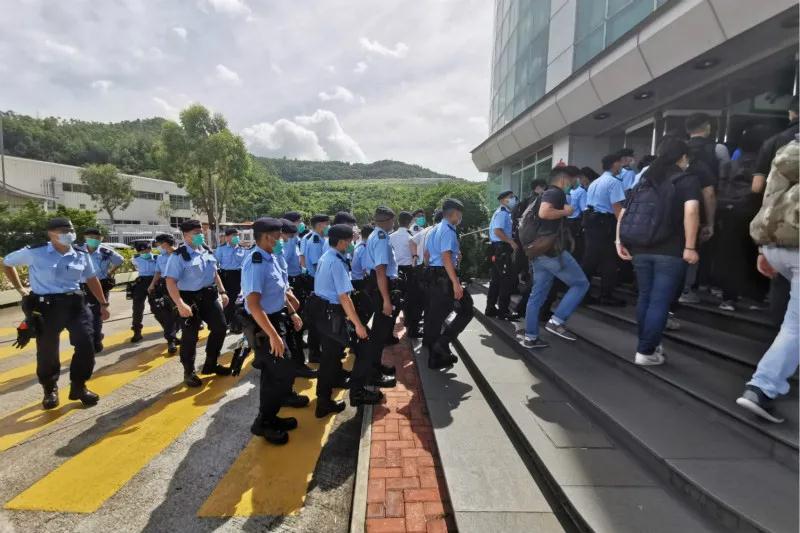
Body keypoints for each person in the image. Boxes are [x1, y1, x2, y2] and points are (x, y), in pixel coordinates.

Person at [2, 217, 110, 409]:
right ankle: (50, 389)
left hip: (76, 304)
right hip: (47, 307)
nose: (68, 234)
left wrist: (103, 303)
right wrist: (20, 289)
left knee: (87, 345)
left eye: (70, 230)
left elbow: (91, 278)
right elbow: (7, 263)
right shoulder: (35, 252)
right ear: (50, 234)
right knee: (47, 351)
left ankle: (79, 386)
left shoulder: (80, 253)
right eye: (62, 231)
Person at [615, 138, 701, 366]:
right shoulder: (687, 180)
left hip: (640, 247)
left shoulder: (645, 179)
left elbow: (624, 212)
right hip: (670, 250)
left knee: (645, 297)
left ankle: (648, 344)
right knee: (660, 301)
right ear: (683, 157)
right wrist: (690, 246)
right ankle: (646, 350)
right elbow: (691, 211)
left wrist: (618, 241)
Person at [736, 139, 798, 424]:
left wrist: (763, 248)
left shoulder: (789, 149)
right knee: (796, 326)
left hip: (777, 244)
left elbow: (769, 197)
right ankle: (762, 388)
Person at [240, 217, 309, 445]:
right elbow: (253, 304)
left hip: (277, 318)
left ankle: (271, 416)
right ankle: (263, 422)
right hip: (264, 324)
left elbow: (279, 290)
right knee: (280, 370)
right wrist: (273, 335)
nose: (282, 240)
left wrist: (292, 312)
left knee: (278, 372)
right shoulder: (256, 262)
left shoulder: (271, 258)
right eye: (279, 236)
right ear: (268, 237)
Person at [309, 224, 382, 411]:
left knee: (330, 356)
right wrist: (358, 325)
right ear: (341, 242)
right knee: (364, 347)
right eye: (350, 241)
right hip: (332, 313)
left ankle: (327, 394)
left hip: (324, 312)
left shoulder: (328, 256)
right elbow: (344, 297)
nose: (351, 244)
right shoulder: (336, 262)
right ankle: (354, 393)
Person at [517, 167, 590, 349]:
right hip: (551, 252)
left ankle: (531, 337)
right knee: (581, 284)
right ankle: (557, 321)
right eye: (573, 180)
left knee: (537, 296)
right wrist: (566, 211)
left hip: (538, 252)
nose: (574, 184)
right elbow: (544, 212)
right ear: (564, 179)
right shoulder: (555, 193)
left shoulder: (545, 194)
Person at [164, 219, 231, 387]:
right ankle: (189, 371)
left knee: (220, 327)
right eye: (196, 233)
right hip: (188, 299)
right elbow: (170, 282)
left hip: (208, 296)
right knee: (190, 336)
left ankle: (211, 363)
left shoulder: (206, 250)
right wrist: (180, 304)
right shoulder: (178, 256)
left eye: (201, 232)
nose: (201, 235)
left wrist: (222, 292)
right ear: (185, 235)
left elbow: (214, 273)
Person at [679, 113, 725, 303]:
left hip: (675, 207)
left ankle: (680, 288)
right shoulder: (717, 149)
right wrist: (711, 221)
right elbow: (711, 190)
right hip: (701, 207)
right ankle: (690, 287)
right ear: (707, 127)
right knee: (696, 246)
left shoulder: (677, 150)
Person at [423, 199, 473, 369]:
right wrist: (455, 283)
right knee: (467, 310)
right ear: (455, 213)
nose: (460, 218)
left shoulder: (434, 229)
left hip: (435, 275)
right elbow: (445, 257)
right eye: (460, 215)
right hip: (445, 277)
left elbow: (427, 254)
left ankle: (435, 355)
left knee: (436, 317)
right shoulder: (448, 230)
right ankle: (442, 343)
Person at [581, 153, 626, 306]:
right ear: (614, 164)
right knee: (609, 261)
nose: (622, 167)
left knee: (590, 260)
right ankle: (606, 295)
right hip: (605, 224)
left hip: (590, 222)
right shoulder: (613, 182)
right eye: (620, 163)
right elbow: (617, 209)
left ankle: (581, 292)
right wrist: (623, 229)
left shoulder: (595, 182)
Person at [363, 206, 399, 385]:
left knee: (379, 330)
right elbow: (380, 270)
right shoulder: (382, 238)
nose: (394, 223)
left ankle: (375, 366)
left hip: (377, 284)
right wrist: (386, 300)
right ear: (387, 220)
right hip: (381, 286)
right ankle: (372, 374)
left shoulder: (375, 234)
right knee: (379, 333)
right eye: (393, 220)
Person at [278, 219, 316, 378]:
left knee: (295, 330)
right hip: (287, 290)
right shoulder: (281, 246)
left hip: (291, 287)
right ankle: (297, 365)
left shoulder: (290, 242)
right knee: (293, 330)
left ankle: (295, 363)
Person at [82, 228, 123, 352]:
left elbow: (120, 260)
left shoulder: (106, 252)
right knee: (83, 314)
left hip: (101, 284)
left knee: (97, 313)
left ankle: (96, 340)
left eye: (97, 238)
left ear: (101, 239)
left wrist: (110, 272)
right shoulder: (78, 250)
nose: (94, 240)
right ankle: (92, 336)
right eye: (90, 237)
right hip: (82, 285)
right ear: (85, 237)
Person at [299, 214, 330, 362]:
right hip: (316, 282)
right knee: (316, 319)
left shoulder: (316, 238)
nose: (328, 226)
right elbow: (318, 265)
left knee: (319, 318)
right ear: (319, 225)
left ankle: (319, 350)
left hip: (316, 281)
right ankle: (315, 353)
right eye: (326, 224)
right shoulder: (316, 241)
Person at [486, 190, 520, 320]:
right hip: (502, 249)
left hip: (498, 249)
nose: (513, 199)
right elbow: (497, 231)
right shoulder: (502, 213)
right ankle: (503, 311)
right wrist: (511, 241)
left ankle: (490, 309)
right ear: (502, 200)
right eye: (510, 197)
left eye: (513, 197)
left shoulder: (503, 212)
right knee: (506, 280)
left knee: (496, 280)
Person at [389, 211, 423, 337]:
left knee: (395, 300)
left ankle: (389, 331)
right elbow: (416, 256)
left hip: (395, 271)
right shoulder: (411, 237)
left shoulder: (391, 237)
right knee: (413, 301)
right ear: (410, 222)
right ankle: (412, 328)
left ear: (398, 221)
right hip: (410, 271)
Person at [147, 234, 180, 354]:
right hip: (164, 286)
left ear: (165, 243)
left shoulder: (180, 254)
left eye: (159, 244)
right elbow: (158, 272)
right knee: (166, 313)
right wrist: (152, 284)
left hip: (180, 286)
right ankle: (171, 340)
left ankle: (175, 334)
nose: (158, 247)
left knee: (179, 313)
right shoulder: (160, 258)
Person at [214, 228, 248, 326]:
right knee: (227, 298)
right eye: (234, 235)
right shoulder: (221, 249)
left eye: (237, 235)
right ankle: (226, 320)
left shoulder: (242, 249)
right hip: (226, 276)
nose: (236, 237)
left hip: (238, 275)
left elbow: (245, 264)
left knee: (235, 298)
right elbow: (215, 263)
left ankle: (231, 320)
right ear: (227, 237)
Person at [129, 240, 158, 343]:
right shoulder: (135, 259)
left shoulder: (157, 258)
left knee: (157, 307)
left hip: (154, 282)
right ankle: (137, 331)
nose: (145, 252)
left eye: (147, 250)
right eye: (142, 251)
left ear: (150, 249)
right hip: (141, 283)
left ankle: (170, 328)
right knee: (137, 308)